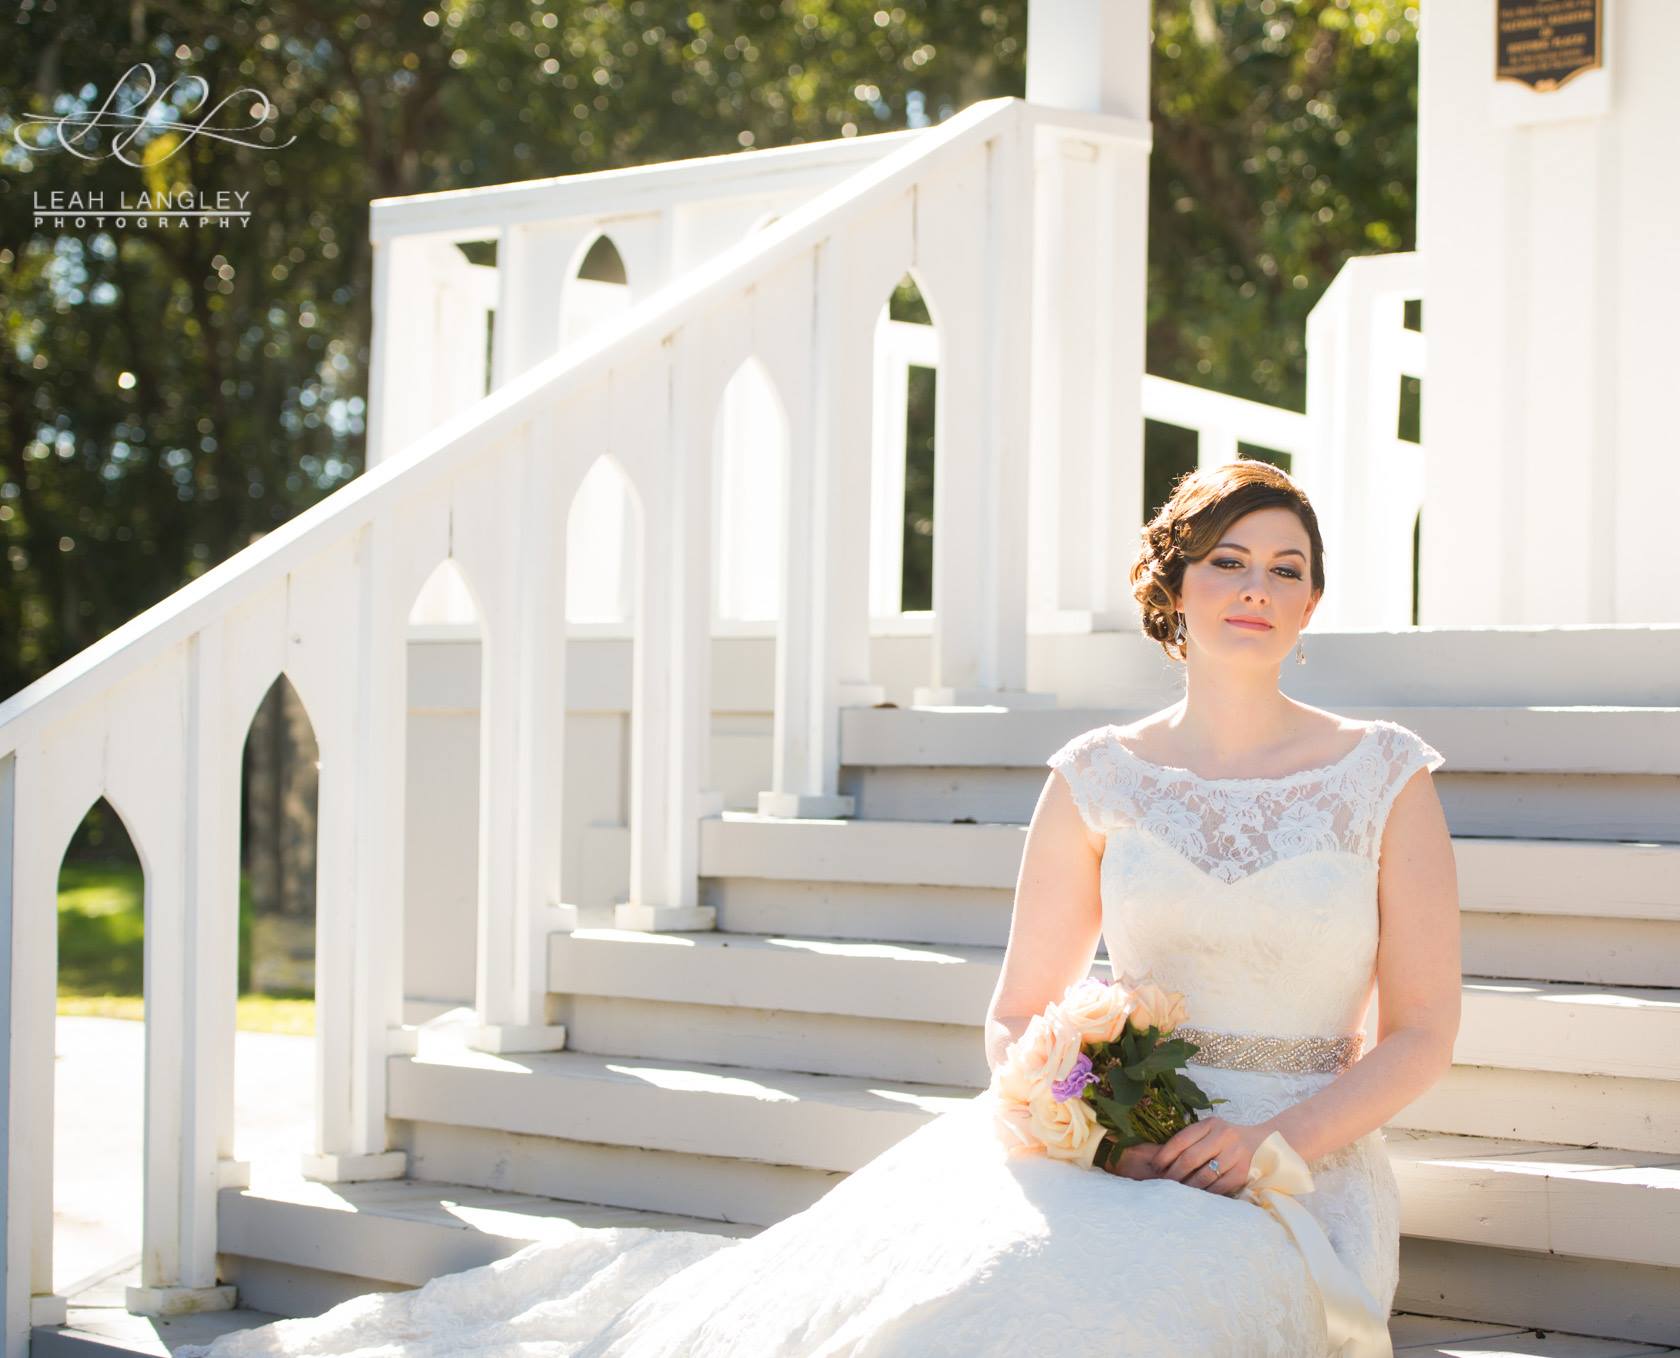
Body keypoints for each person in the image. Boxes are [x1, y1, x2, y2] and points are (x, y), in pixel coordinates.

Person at [177, 460, 1462, 1358]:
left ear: (1311, 598)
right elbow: (1021, 1008)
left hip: (1296, 1172)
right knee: (982, 1285)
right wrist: (1092, 1128)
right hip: (1119, 1147)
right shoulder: (1097, 780)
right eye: (1229, 558)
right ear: (1173, 585)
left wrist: (1270, 1143)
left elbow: (1421, 1032)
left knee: (1109, 1314)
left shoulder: (1381, 775)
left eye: (1288, 567)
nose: (1258, 586)